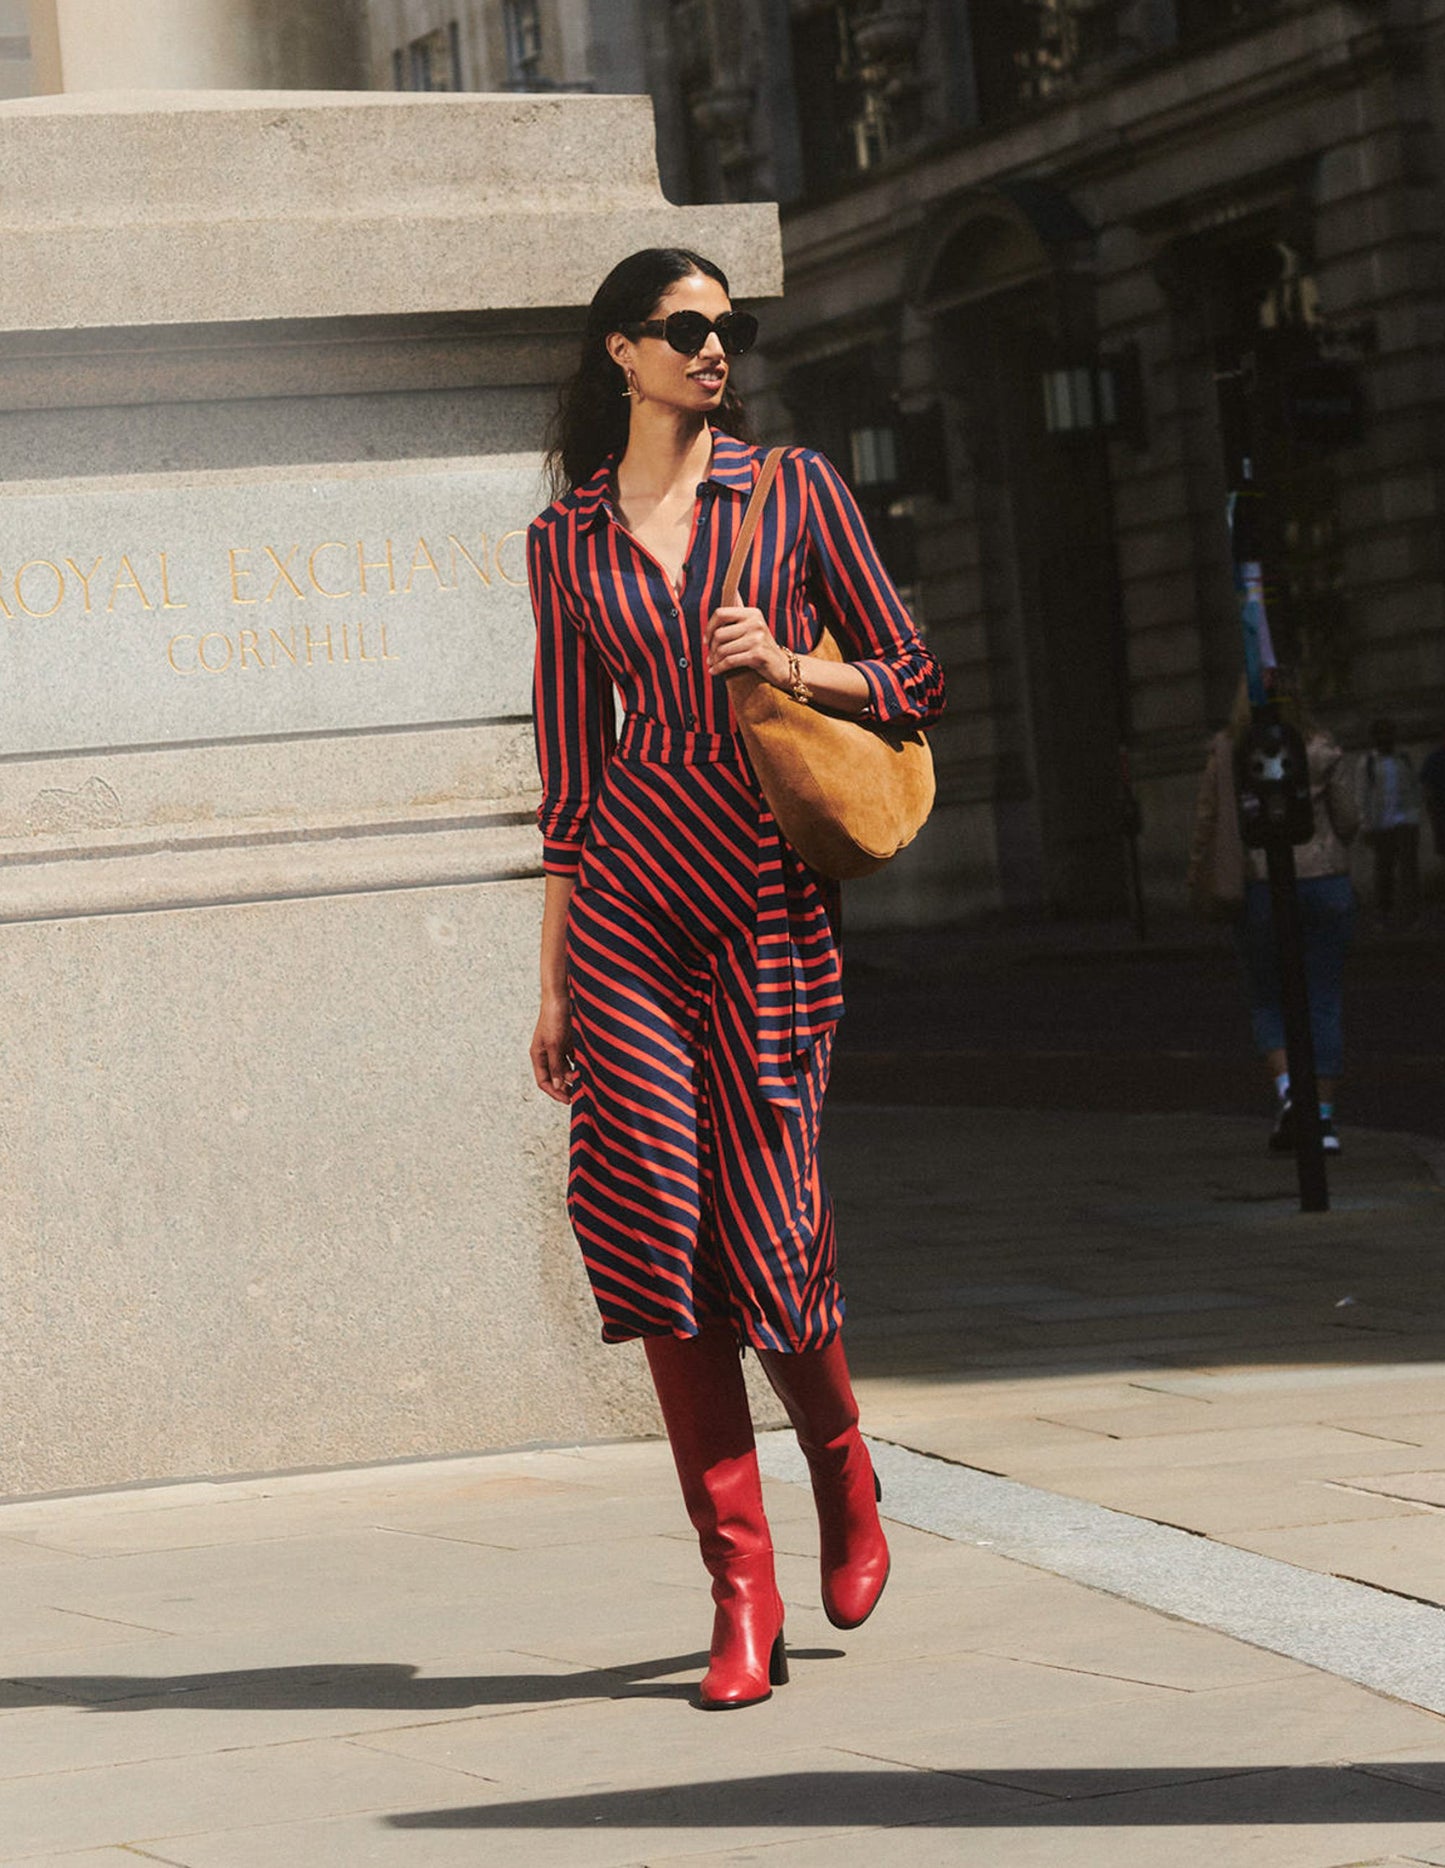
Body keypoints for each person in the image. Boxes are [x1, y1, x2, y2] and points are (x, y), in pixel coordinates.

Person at [526, 248, 945, 1710]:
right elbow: (569, 780)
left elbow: (912, 676)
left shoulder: (795, 493)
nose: (715, 350)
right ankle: (741, 1595)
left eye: (728, 329)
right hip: (631, 904)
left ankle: (843, 1462)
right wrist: (555, 984)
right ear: (620, 355)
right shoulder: (563, 539)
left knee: (769, 1224)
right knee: (654, 1235)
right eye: (684, 330)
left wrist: (795, 662)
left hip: (764, 900)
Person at [1188, 678, 1359, 1154]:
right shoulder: (1321, 748)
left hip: (1260, 885)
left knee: (1269, 998)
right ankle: (1323, 1121)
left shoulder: (1227, 752)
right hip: (1325, 881)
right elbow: (1348, 820)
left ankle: (1290, 1100)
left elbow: (1208, 820)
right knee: (1321, 998)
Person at [1358, 717, 1423, 928]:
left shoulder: (1403, 759)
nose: (1386, 738)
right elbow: (1362, 795)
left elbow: (1413, 788)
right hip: (1381, 824)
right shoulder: (1367, 763)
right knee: (1384, 870)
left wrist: (1415, 817)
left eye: (1389, 733)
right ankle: (1384, 912)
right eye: (1382, 733)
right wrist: (1365, 825)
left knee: (1409, 871)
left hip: (1405, 821)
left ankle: (1410, 914)